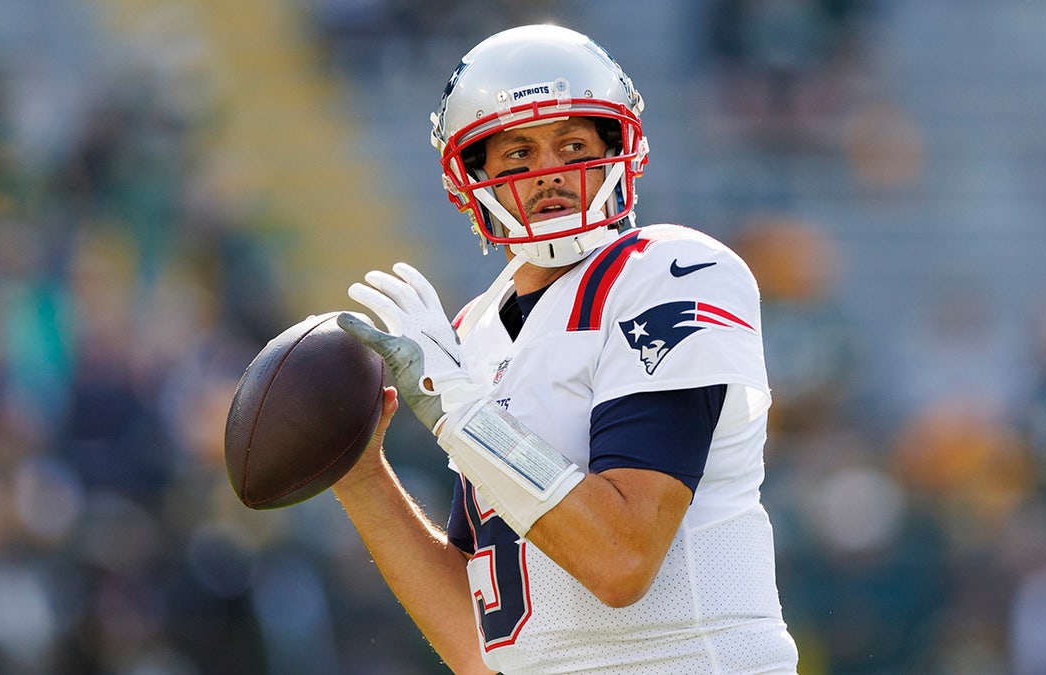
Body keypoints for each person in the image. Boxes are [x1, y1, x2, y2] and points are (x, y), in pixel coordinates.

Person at [332, 24, 799, 674]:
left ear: (617, 148)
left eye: (572, 145)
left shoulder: (671, 271)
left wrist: (458, 409)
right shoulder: (468, 335)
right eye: (517, 155)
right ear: (475, 177)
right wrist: (361, 480)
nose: (548, 174)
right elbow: (482, 645)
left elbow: (620, 560)